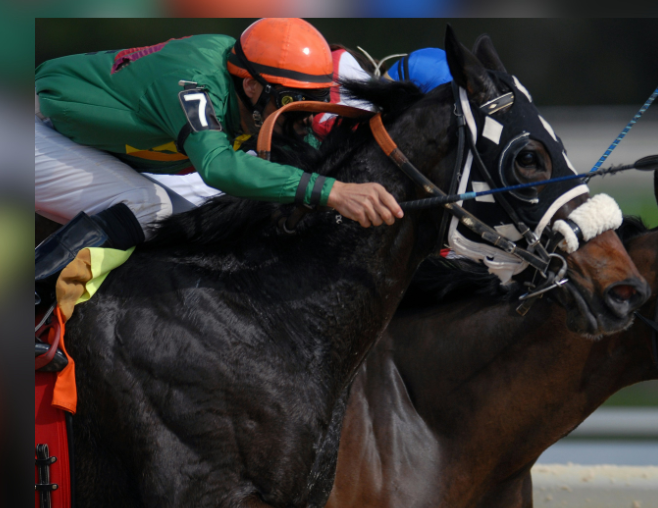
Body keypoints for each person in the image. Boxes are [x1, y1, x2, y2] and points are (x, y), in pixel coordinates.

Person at [34, 18, 403, 309]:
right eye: (292, 102)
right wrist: (332, 191)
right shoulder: (192, 84)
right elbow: (218, 167)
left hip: (72, 140)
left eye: (313, 102)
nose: (304, 117)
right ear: (252, 86)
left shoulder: (249, 82)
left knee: (192, 223)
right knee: (148, 207)